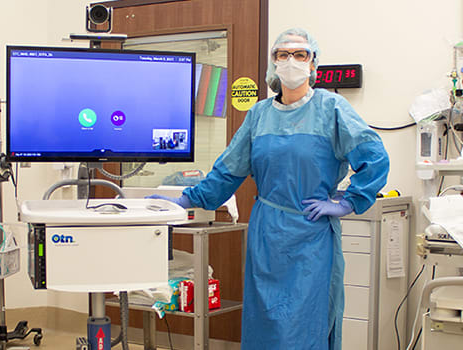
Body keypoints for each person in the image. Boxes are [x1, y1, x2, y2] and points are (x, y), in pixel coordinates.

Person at [149, 28, 389, 349]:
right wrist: (184, 200)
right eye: (283, 54)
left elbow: (374, 157)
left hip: (311, 238)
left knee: (303, 328)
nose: (291, 61)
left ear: (313, 63)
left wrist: (348, 202)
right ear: (273, 63)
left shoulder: (331, 109)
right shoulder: (259, 115)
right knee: (265, 325)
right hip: (266, 237)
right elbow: (228, 171)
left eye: (300, 54)